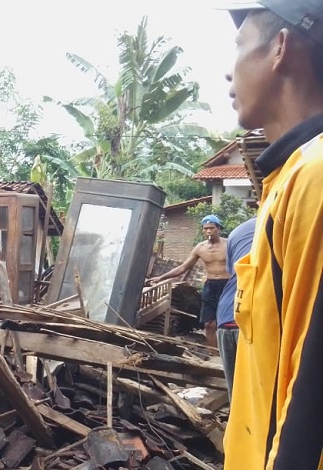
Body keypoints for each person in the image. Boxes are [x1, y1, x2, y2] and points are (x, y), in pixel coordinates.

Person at [221, 1, 323, 468]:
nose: (229, 74)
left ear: (280, 47)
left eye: (240, 45)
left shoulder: (315, 176)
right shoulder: (287, 178)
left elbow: (311, 395)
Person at [147, 214, 229, 347]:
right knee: (209, 324)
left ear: (218, 228)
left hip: (227, 286)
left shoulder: (229, 244)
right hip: (210, 286)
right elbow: (183, 267)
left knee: (228, 323)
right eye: (206, 228)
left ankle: (231, 354)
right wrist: (161, 278)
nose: (208, 231)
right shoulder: (200, 248)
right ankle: (215, 354)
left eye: (212, 228)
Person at [215, 216, 256, 403]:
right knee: (260, 396)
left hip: (226, 316)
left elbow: (234, 272)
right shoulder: (289, 222)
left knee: (237, 397)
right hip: (254, 321)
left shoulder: (237, 231)